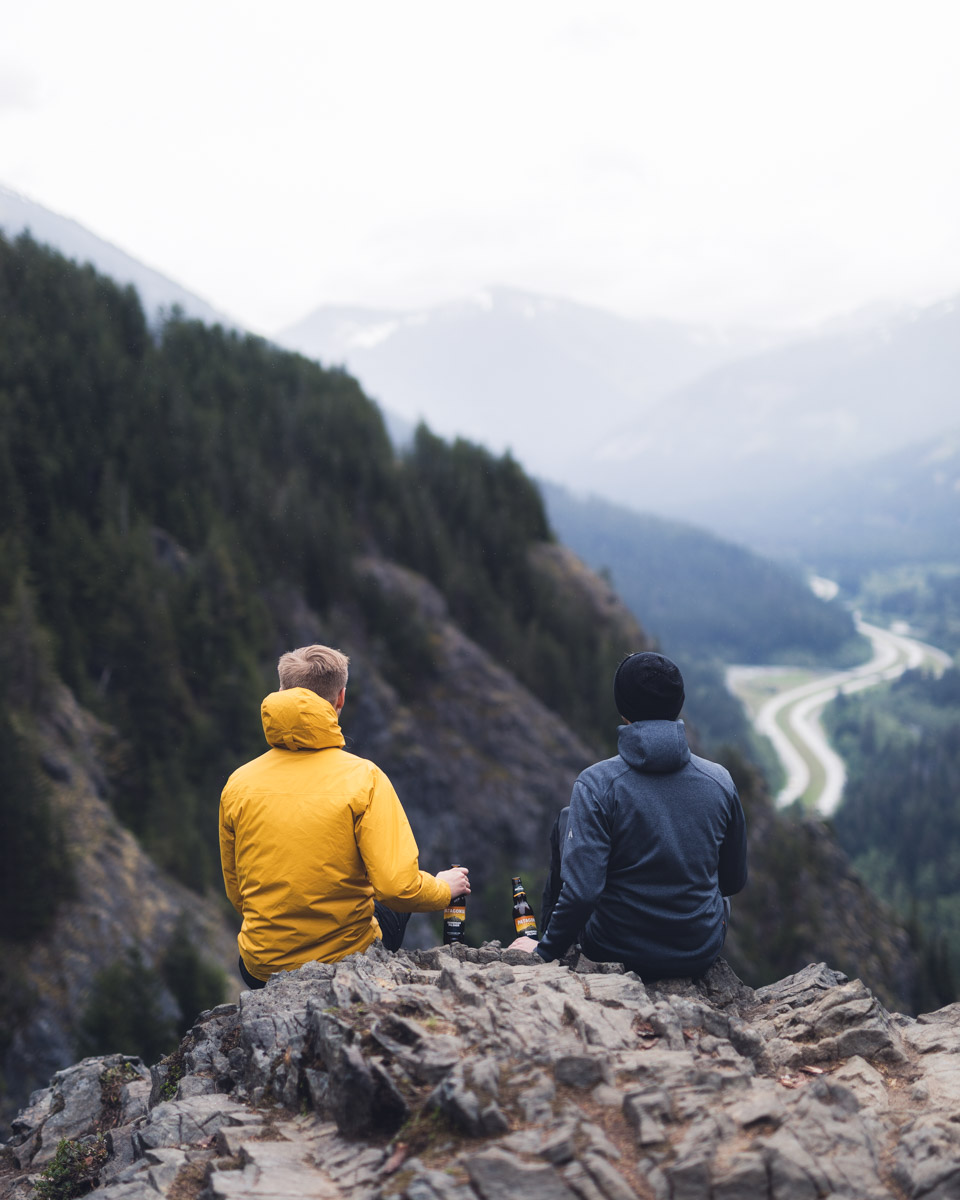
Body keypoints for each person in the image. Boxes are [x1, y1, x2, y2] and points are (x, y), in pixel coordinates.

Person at [219, 644, 469, 987]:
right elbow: (397, 888)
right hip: (344, 964)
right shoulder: (364, 778)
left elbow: (237, 892)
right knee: (391, 903)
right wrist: (442, 888)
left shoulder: (239, 783)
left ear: (279, 692)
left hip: (262, 968)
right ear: (340, 699)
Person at [512, 651, 746, 979]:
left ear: (623, 711)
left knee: (568, 819)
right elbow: (732, 881)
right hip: (698, 951)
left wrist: (543, 954)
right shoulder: (720, 780)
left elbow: (583, 893)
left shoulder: (596, 784)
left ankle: (550, 943)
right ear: (678, 704)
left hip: (615, 949)